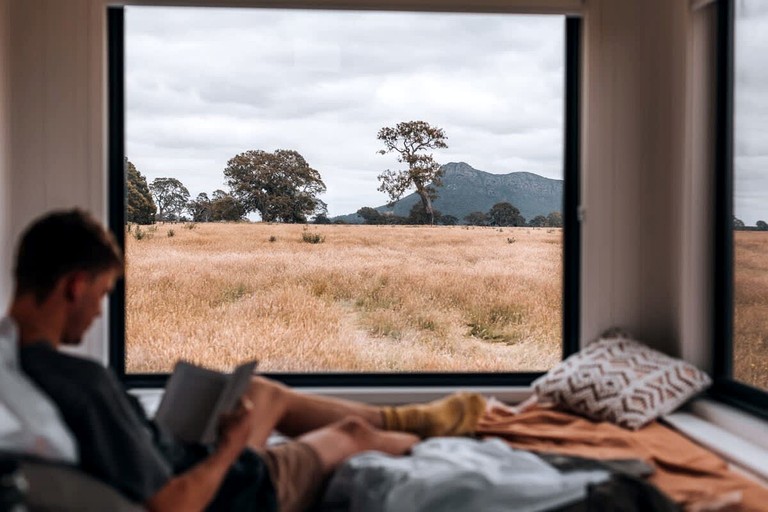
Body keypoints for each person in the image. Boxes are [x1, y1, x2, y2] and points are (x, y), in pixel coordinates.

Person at [6, 209, 487, 512]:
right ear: (74, 285)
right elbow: (175, 504)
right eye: (103, 293)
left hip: (181, 454)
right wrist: (231, 446)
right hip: (232, 489)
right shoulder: (82, 382)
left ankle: (425, 420)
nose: (97, 311)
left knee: (261, 391)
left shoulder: (17, 366)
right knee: (351, 436)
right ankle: (449, 436)